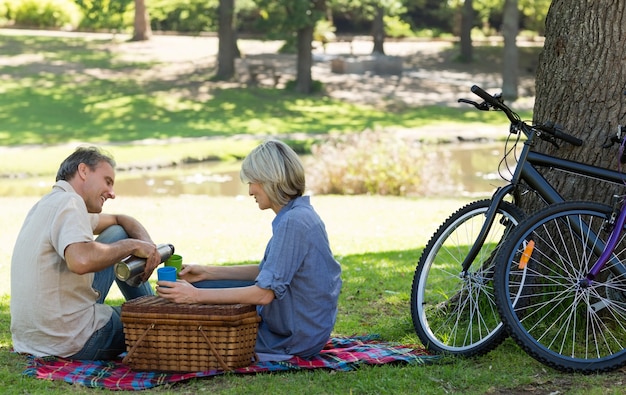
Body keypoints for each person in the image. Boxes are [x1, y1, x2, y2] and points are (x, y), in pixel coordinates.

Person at [157, 139, 342, 361]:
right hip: (302, 327)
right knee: (199, 283)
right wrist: (207, 272)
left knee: (190, 316)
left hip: (291, 339)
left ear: (270, 180)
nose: (250, 191)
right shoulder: (298, 214)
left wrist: (194, 296)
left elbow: (264, 294)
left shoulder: (294, 222)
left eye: (252, 182)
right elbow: (269, 271)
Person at [10, 146, 161, 360]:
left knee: (117, 232)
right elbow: (80, 261)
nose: (112, 193)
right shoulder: (70, 203)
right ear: (83, 171)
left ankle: (153, 308)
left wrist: (147, 246)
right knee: (149, 323)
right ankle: (158, 316)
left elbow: (120, 220)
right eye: (107, 181)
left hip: (33, 339)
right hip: (71, 341)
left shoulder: (47, 204)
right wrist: (131, 246)